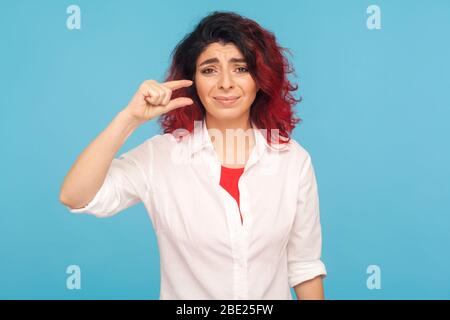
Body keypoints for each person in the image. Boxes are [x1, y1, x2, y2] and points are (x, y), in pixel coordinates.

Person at [59, 11, 327, 300]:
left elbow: (304, 266)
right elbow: (75, 196)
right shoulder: (160, 156)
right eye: (209, 70)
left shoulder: (292, 160)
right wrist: (129, 119)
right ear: (192, 81)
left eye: (240, 68)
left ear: (260, 79)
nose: (226, 83)